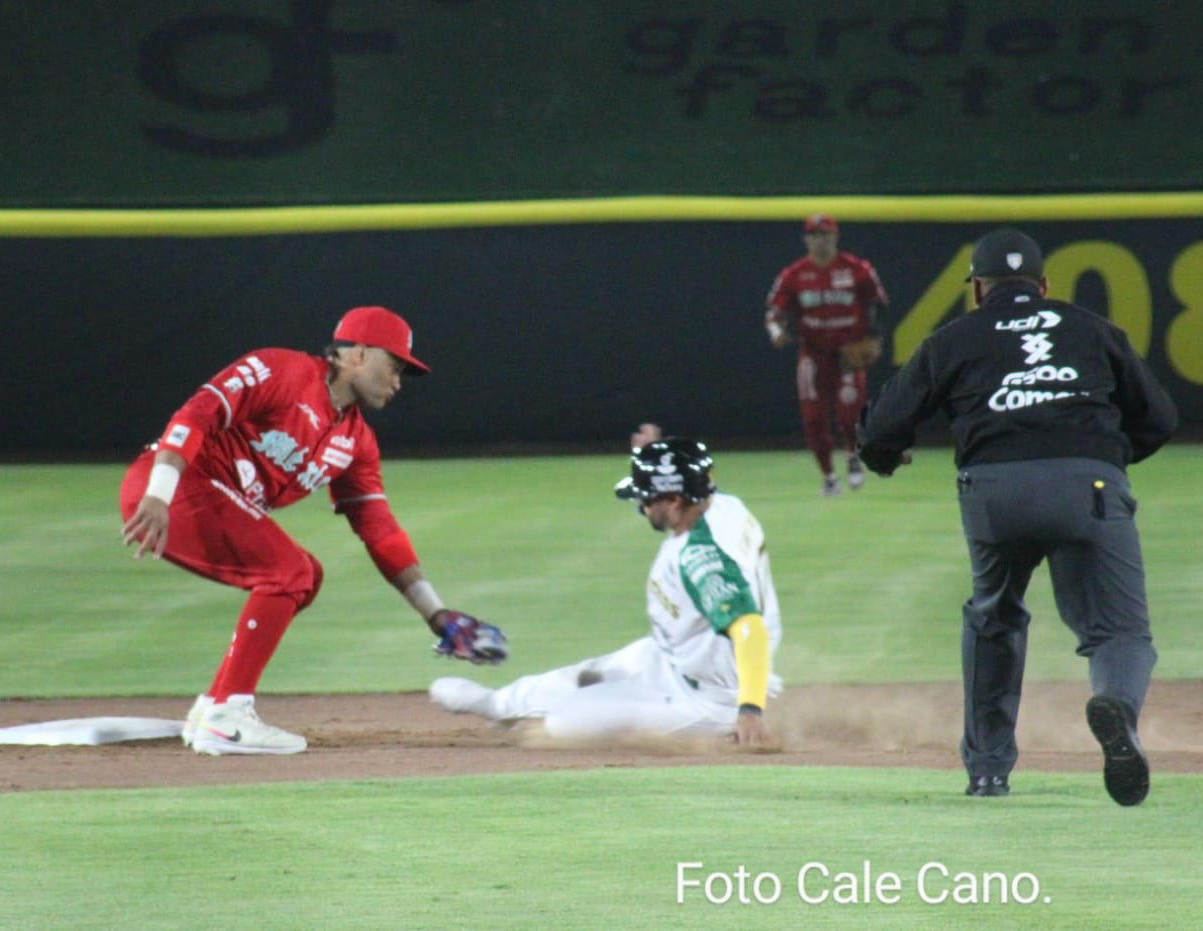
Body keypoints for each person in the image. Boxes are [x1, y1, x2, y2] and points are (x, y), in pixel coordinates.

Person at [856, 227, 1179, 805]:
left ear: (978, 289)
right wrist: (1098, 454)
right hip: (1090, 485)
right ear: (1046, 285)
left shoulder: (954, 337)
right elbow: (1159, 418)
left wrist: (883, 459)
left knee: (994, 618)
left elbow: (880, 429)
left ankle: (987, 771)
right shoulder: (1093, 329)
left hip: (995, 492)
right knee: (1120, 632)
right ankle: (1119, 714)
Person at [120, 305, 505, 756]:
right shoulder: (282, 370)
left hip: (207, 498)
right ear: (357, 355)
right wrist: (159, 492)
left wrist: (436, 615)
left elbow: (380, 533)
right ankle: (227, 716)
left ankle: (214, 707)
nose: (399, 380)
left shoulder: (356, 441)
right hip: (175, 484)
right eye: (394, 365)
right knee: (288, 572)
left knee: (306, 575)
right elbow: (199, 412)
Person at [429, 432, 782, 747]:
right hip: (670, 659)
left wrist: (750, 710)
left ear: (674, 500)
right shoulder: (722, 505)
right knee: (585, 675)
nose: (642, 507)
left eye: (647, 497)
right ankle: (497, 706)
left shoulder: (704, 558)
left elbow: (750, 629)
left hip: (709, 699)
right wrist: (657, 460)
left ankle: (720, 731)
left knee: (562, 724)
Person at [764, 213, 889, 496]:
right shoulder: (794, 275)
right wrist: (776, 332)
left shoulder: (857, 269)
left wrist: (876, 338)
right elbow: (775, 313)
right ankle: (829, 477)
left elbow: (879, 305)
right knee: (814, 418)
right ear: (806, 239)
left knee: (850, 415)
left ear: (836, 236)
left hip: (848, 353)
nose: (820, 240)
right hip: (813, 354)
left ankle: (853, 456)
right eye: (815, 235)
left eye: (825, 234)